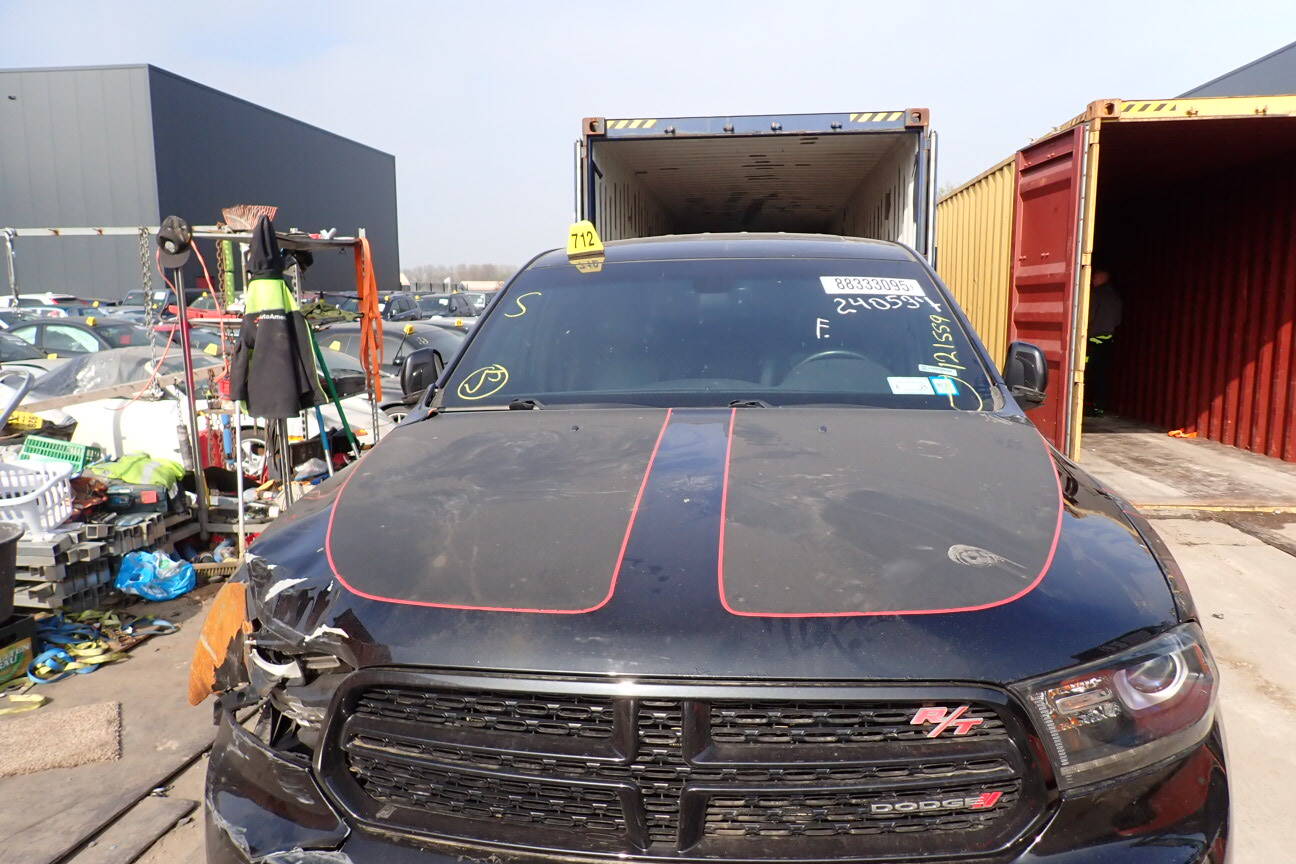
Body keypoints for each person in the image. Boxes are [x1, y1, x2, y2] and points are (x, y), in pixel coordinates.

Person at [1085, 269, 1121, 416]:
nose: (1092, 280)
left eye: (1094, 278)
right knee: (1102, 374)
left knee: (1086, 373)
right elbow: (1118, 320)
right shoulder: (1116, 297)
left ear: (1101, 278)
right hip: (1108, 342)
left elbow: (1088, 317)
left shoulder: (1096, 295)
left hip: (1093, 341)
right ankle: (1099, 406)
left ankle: (1085, 405)